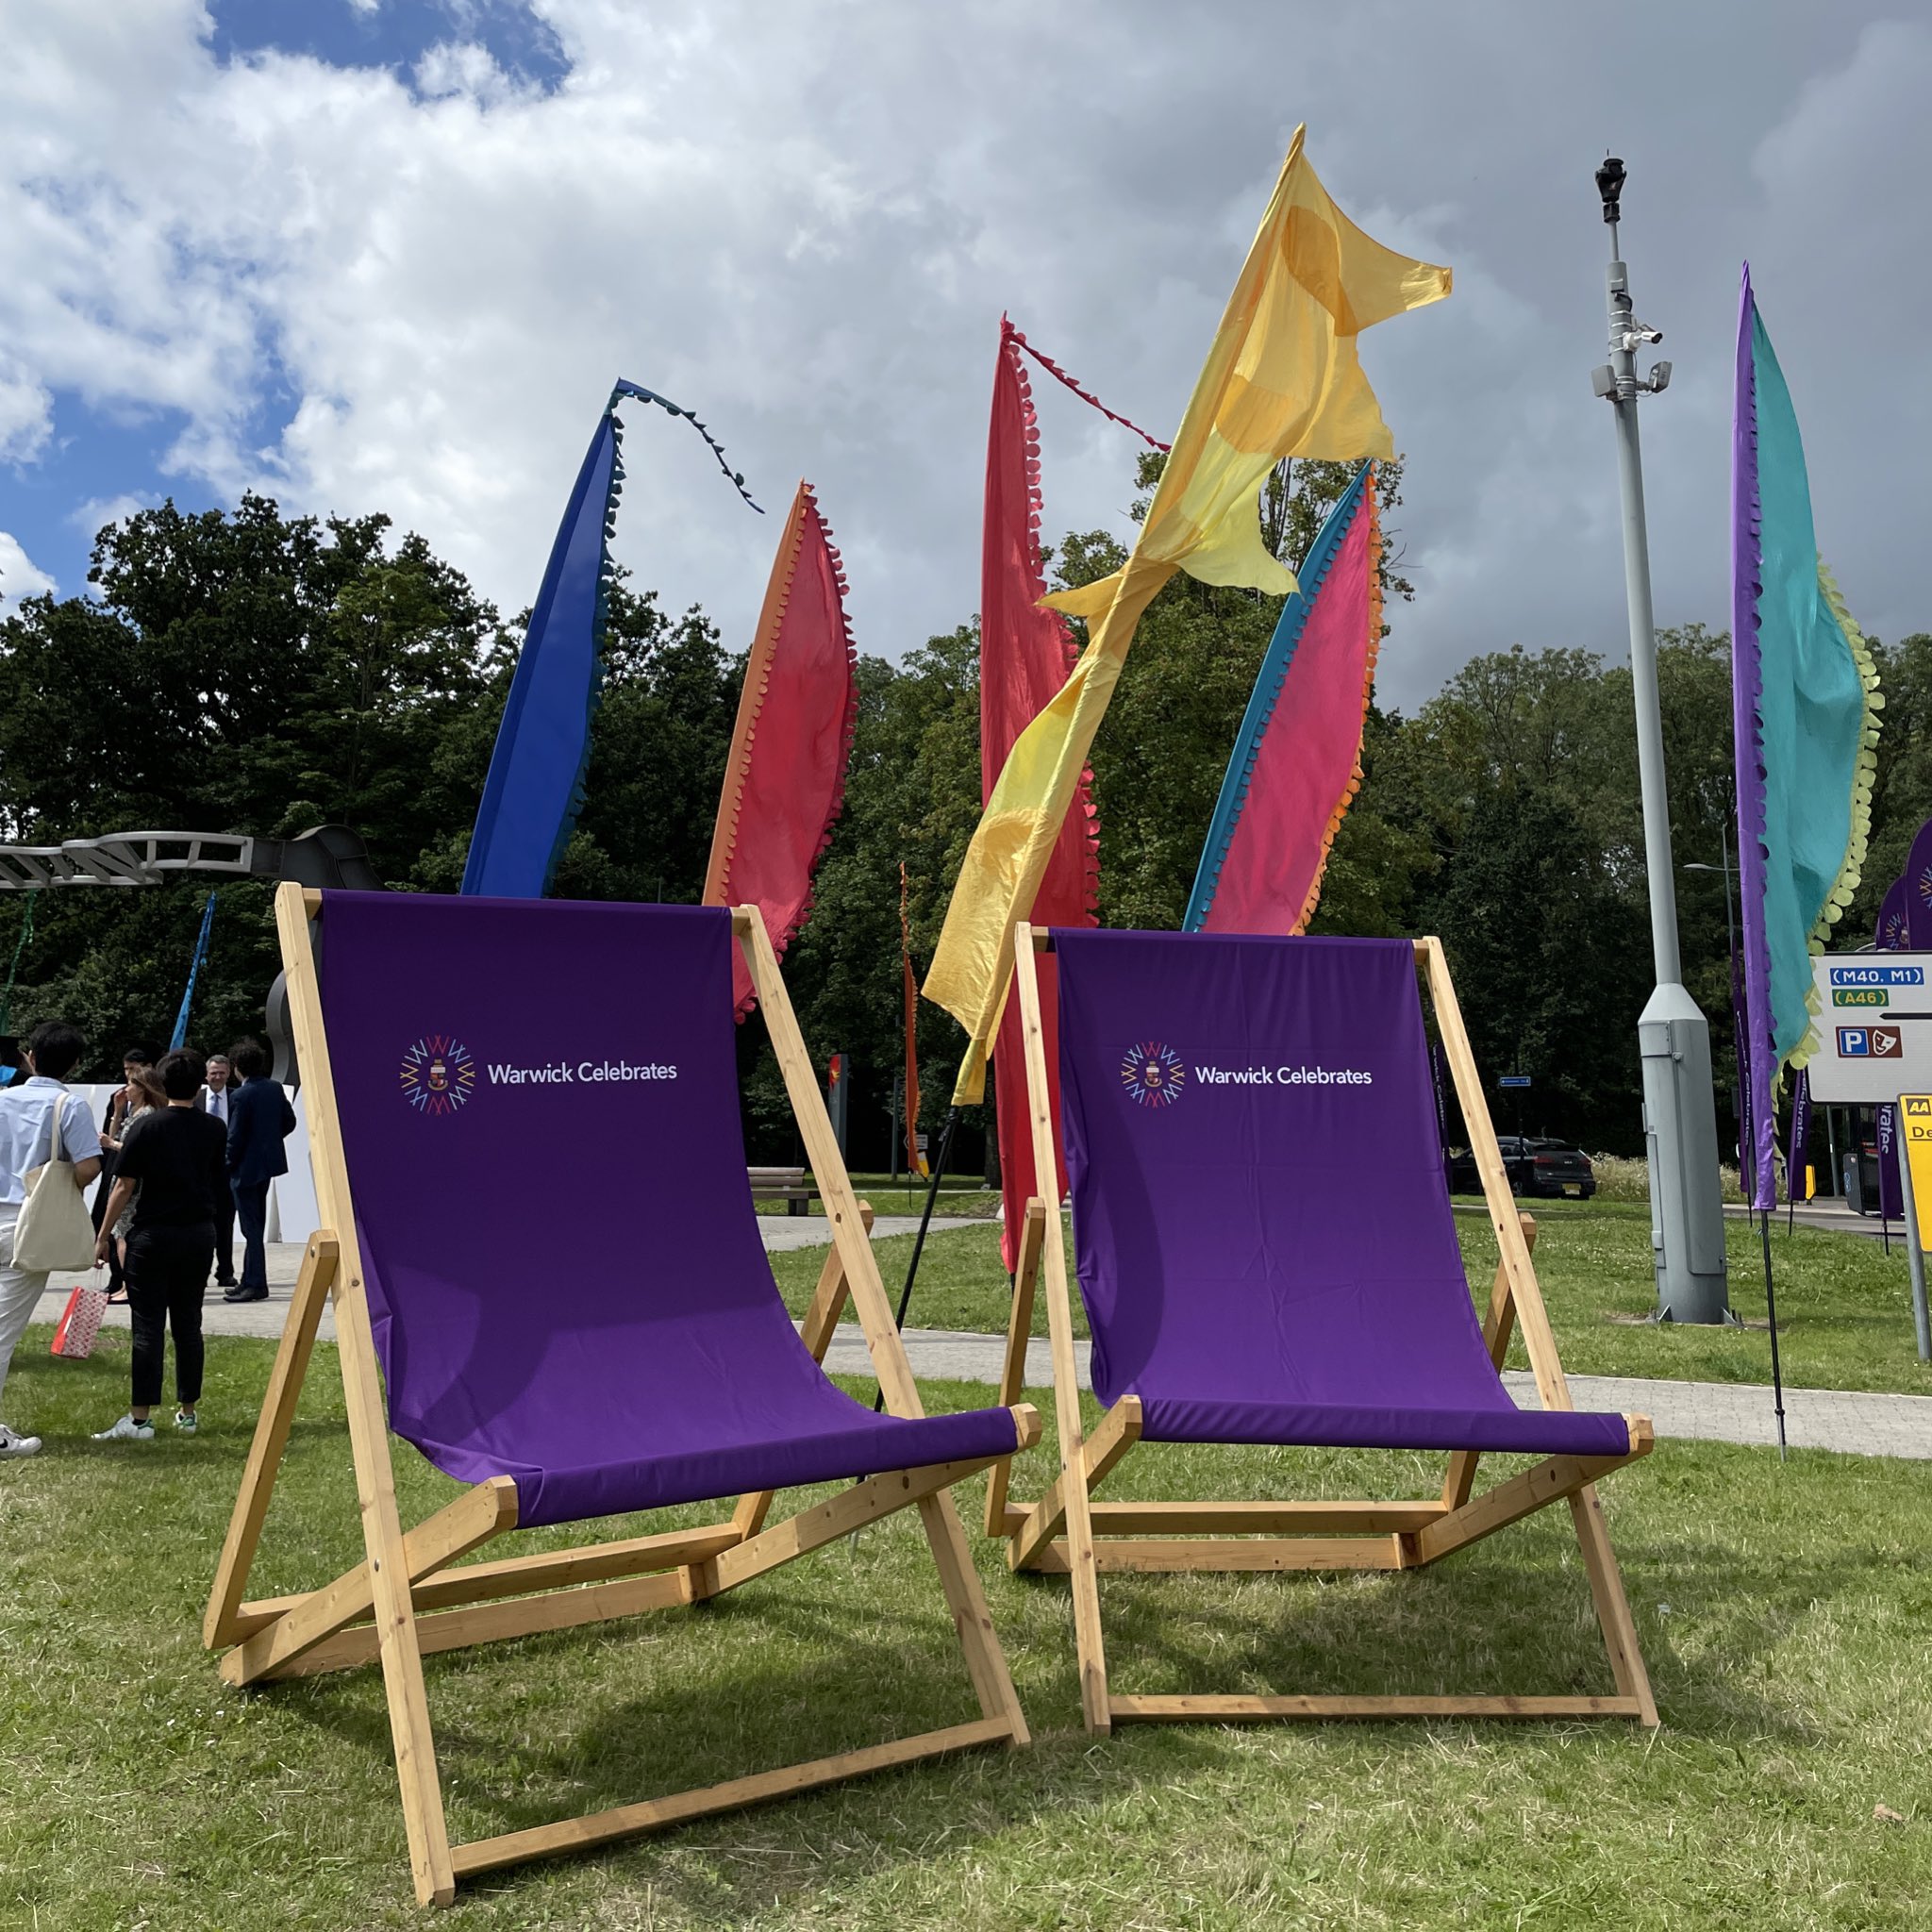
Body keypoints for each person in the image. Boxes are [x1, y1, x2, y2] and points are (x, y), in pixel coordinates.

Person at [91, 1049, 228, 1442]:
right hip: (198, 1232)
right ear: (200, 1084)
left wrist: (103, 1236)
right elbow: (218, 1181)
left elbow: (123, 1185)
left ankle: (140, 1419)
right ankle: (187, 1413)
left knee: (147, 1326)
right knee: (189, 1324)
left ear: (161, 1084)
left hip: (153, 1233)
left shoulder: (146, 1128)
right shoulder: (214, 1128)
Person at [0, 1021, 104, 1457]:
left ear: (31, 1056)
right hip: (29, 1223)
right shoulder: (70, 1106)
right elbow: (89, 1167)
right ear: (75, 1063)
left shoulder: (3, 1099)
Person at [225, 1038, 293, 1306]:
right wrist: (270, 1142)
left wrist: (227, 1163)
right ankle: (249, 1279)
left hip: (244, 1168)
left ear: (236, 1066)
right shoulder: (274, 1088)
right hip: (266, 1166)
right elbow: (290, 1121)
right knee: (255, 1225)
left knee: (250, 1229)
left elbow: (235, 1136)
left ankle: (255, 1283)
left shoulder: (241, 1095)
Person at [91, 1043, 158, 1304]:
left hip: (131, 1179)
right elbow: (116, 1134)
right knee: (119, 1233)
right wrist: (117, 1112)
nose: (125, 1085)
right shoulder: (128, 1107)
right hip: (117, 1170)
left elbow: (130, 1146)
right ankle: (121, 1281)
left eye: (132, 1078)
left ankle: (131, 1284)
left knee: (125, 1233)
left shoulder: (148, 1114)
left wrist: (111, 1144)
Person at [196, 1054, 239, 1288]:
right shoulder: (196, 1099)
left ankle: (225, 1272)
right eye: (214, 1073)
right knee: (201, 1226)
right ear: (206, 1074)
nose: (218, 1077)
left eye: (222, 1072)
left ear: (228, 1073)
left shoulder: (236, 1098)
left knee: (225, 1224)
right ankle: (200, 1271)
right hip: (200, 1172)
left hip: (227, 1171)